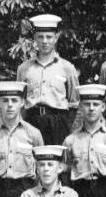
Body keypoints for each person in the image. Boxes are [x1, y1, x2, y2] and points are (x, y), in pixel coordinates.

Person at [17, 14, 80, 145]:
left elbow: (75, 104)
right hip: (31, 121)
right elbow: (19, 102)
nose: (45, 41)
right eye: (40, 37)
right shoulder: (24, 69)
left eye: (49, 37)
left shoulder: (67, 68)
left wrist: (68, 129)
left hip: (58, 123)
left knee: (55, 162)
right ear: (35, 39)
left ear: (56, 38)